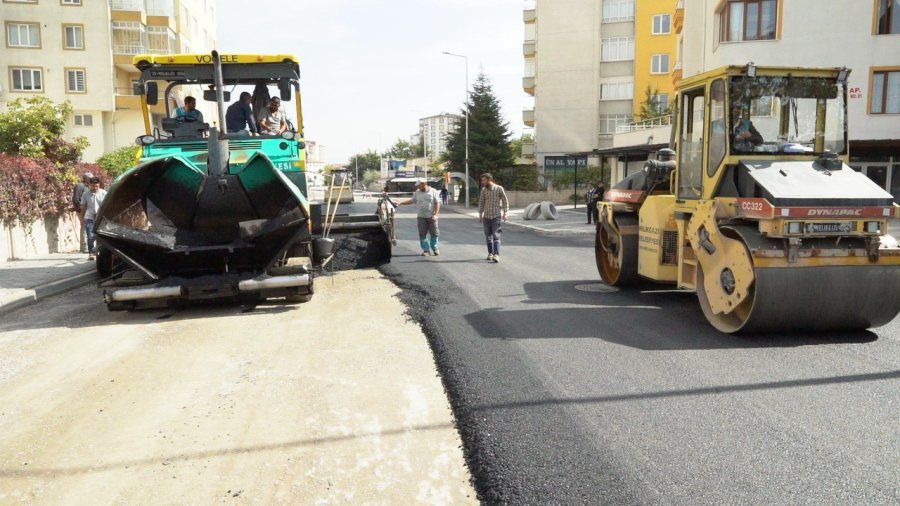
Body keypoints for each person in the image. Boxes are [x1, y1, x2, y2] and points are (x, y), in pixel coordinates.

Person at [396, 178, 441, 256]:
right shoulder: (417, 192)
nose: (417, 187)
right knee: (422, 234)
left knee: (434, 233)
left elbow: (437, 203)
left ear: (424, 184)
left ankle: (435, 248)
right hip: (421, 217)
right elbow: (412, 201)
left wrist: (436, 215)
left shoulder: (433, 191)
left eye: (419, 185)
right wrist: (400, 203)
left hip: (431, 216)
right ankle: (426, 250)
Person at [477, 173, 509, 263]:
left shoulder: (499, 188)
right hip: (486, 217)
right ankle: (490, 253)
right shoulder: (483, 190)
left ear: (489, 180)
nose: (482, 182)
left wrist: (505, 213)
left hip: (496, 217)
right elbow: (481, 202)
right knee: (488, 237)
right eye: (482, 180)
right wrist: (480, 215)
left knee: (496, 236)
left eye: (484, 180)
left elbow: (505, 201)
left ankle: (496, 255)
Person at [79, 176, 107, 260]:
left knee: (101, 235)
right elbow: (83, 206)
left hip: (101, 218)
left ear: (99, 185)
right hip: (89, 217)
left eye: (96, 186)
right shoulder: (86, 194)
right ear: (89, 185)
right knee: (90, 235)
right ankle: (91, 253)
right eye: (93, 186)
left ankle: (100, 250)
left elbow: (107, 206)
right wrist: (81, 218)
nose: (95, 188)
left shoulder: (104, 193)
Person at [72, 172, 91, 253]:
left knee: (87, 227)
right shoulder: (80, 186)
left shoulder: (87, 186)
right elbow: (76, 198)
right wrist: (80, 209)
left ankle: (85, 247)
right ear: (85, 178)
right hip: (82, 210)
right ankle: (84, 248)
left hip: (87, 210)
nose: (90, 179)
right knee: (84, 226)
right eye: (89, 178)